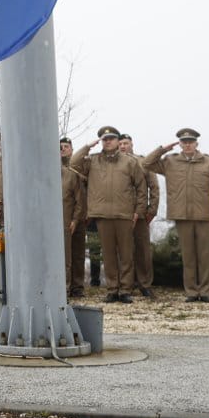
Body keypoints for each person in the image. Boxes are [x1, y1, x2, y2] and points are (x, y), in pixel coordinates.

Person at [143, 129, 209, 302]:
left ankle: (205, 291)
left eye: (191, 141)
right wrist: (163, 149)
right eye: (184, 142)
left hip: (204, 216)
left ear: (197, 143)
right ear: (180, 144)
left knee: (204, 256)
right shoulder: (170, 161)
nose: (187, 144)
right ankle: (191, 291)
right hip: (182, 216)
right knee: (188, 256)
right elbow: (146, 163)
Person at [71, 127, 147, 303]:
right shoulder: (93, 161)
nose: (108, 142)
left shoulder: (129, 162)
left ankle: (125, 290)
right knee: (109, 254)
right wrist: (87, 146)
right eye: (104, 139)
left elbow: (141, 187)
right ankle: (113, 289)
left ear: (117, 141)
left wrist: (138, 211)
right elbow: (73, 164)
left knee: (126, 254)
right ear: (101, 141)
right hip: (102, 215)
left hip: (124, 214)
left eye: (111, 139)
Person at [119, 134, 160, 298]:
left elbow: (154, 188)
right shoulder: (113, 164)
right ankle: (125, 285)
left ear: (132, 144)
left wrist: (152, 210)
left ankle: (145, 284)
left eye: (126, 143)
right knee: (122, 251)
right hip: (120, 214)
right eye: (120, 143)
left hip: (141, 213)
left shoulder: (143, 162)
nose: (123, 146)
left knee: (142, 250)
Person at [59, 137, 88, 298]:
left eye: (65, 147)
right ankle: (64, 287)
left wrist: (77, 219)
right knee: (64, 256)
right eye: (59, 147)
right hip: (60, 219)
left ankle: (75, 287)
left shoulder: (77, 168)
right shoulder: (48, 171)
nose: (62, 150)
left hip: (77, 217)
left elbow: (81, 197)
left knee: (76, 255)